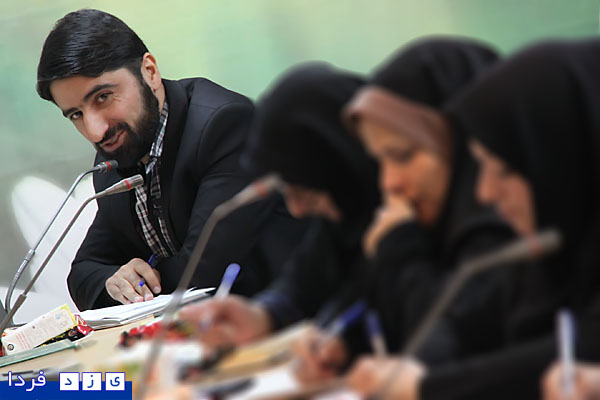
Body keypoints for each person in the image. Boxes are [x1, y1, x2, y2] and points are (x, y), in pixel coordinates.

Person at [347, 39, 600, 400]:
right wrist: (403, 369)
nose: (485, 193)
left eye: (505, 169)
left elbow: (570, 352)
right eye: (480, 166)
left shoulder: (498, 234)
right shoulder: (542, 256)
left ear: (560, 160)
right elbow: (463, 324)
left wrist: (425, 387)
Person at [36, 9, 307, 310]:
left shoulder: (223, 125)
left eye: (103, 97)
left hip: (291, 320)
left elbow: (206, 273)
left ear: (149, 72)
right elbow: (84, 273)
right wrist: (116, 281)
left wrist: (141, 283)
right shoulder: (116, 158)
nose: (95, 130)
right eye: (76, 114)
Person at [291, 37, 514, 384]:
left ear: (462, 145)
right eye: (379, 161)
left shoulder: (504, 230)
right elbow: (370, 304)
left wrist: (400, 251)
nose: (389, 182)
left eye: (403, 156)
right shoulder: (424, 220)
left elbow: (451, 346)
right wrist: (343, 340)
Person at [179, 63, 381, 348]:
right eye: (286, 192)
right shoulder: (342, 217)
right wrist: (262, 315)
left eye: (306, 194)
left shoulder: (402, 213)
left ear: (344, 162)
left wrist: (345, 344)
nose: (296, 210)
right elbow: (303, 284)